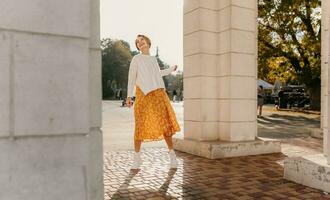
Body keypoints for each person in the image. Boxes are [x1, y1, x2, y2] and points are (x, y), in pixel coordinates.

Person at [126, 34, 181, 170]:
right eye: (138, 43)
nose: (140, 43)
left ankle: (172, 157)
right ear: (138, 47)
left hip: (158, 94)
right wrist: (128, 96)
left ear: (148, 42)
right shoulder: (136, 59)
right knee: (140, 125)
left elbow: (157, 73)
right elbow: (131, 78)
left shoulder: (153, 59)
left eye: (142, 40)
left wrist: (170, 69)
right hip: (143, 95)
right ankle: (137, 158)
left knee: (165, 125)